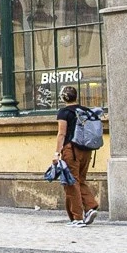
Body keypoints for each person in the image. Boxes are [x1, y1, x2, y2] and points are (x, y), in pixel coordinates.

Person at [53, 85, 100, 227]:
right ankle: (91, 207)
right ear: (76, 96)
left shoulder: (64, 112)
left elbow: (62, 133)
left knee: (71, 182)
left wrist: (56, 153)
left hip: (71, 150)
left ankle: (78, 217)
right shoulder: (85, 111)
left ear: (63, 98)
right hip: (87, 149)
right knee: (80, 180)